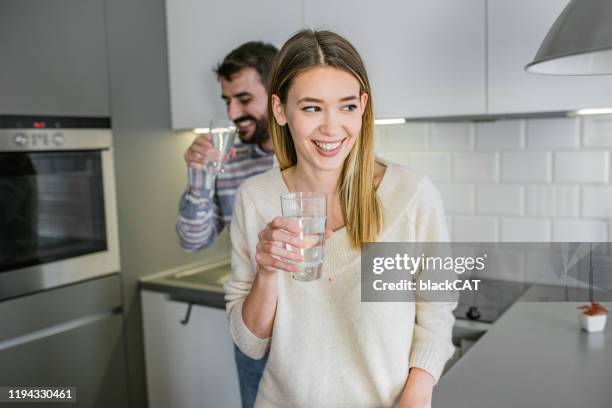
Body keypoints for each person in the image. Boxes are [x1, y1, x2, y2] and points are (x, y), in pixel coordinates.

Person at [224, 29, 456, 408]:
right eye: (312, 108)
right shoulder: (256, 199)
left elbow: (436, 312)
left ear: (363, 106)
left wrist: (417, 393)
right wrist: (267, 273)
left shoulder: (411, 195)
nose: (332, 128)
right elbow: (251, 343)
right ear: (280, 110)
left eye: (346, 106)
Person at [175, 41, 277, 408]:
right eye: (227, 101)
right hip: (252, 333)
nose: (233, 112)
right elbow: (193, 241)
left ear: (277, 92)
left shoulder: (312, 155)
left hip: (309, 332)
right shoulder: (229, 160)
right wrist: (198, 178)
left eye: (244, 99)